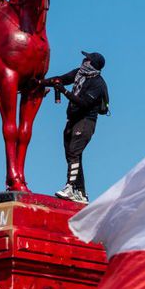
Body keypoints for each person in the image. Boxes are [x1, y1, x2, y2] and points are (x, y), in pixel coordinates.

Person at [44, 51, 109, 203]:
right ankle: (81, 193)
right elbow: (61, 79)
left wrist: (64, 91)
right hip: (72, 119)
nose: (84, 60)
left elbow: (83, 103)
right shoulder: (79, 73)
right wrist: (39, 82)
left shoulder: (98, 84)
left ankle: (70, 187)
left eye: (87, 59)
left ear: (92, 64)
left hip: (86, 121)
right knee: (72, 155)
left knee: (74, 152)